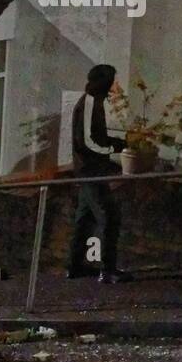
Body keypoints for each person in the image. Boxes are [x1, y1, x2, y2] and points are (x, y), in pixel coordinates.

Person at [68, 64, 127, 284]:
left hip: (88, 169)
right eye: (112, 79)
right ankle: (108, 270)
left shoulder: (93, 102)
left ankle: (74, 266)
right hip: (90, 170)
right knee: (109, 216)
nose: (114, 84)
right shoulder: (90, 104)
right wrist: (115, 148)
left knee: (84, 219)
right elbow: (88, 142)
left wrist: (113, 143)